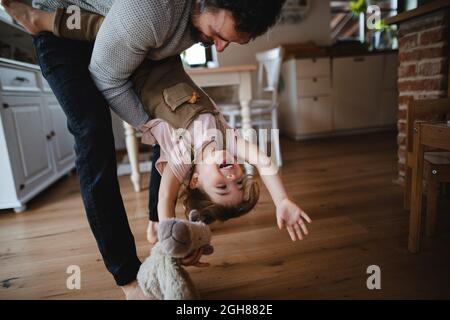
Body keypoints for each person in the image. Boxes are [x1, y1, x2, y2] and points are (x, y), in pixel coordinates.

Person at [2, 0, 302, 299]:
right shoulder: (227, 139)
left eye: (223, 187)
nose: (233, 176)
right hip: (146, 56)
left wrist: (167, 231)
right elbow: (262, 160)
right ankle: (39, 19)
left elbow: (166, 197)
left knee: (99, 29)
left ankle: (40, 19)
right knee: (94, 127)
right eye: (238, 181)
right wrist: (283, 199)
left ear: (195, 180)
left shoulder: (183, 155)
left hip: (138, 67)